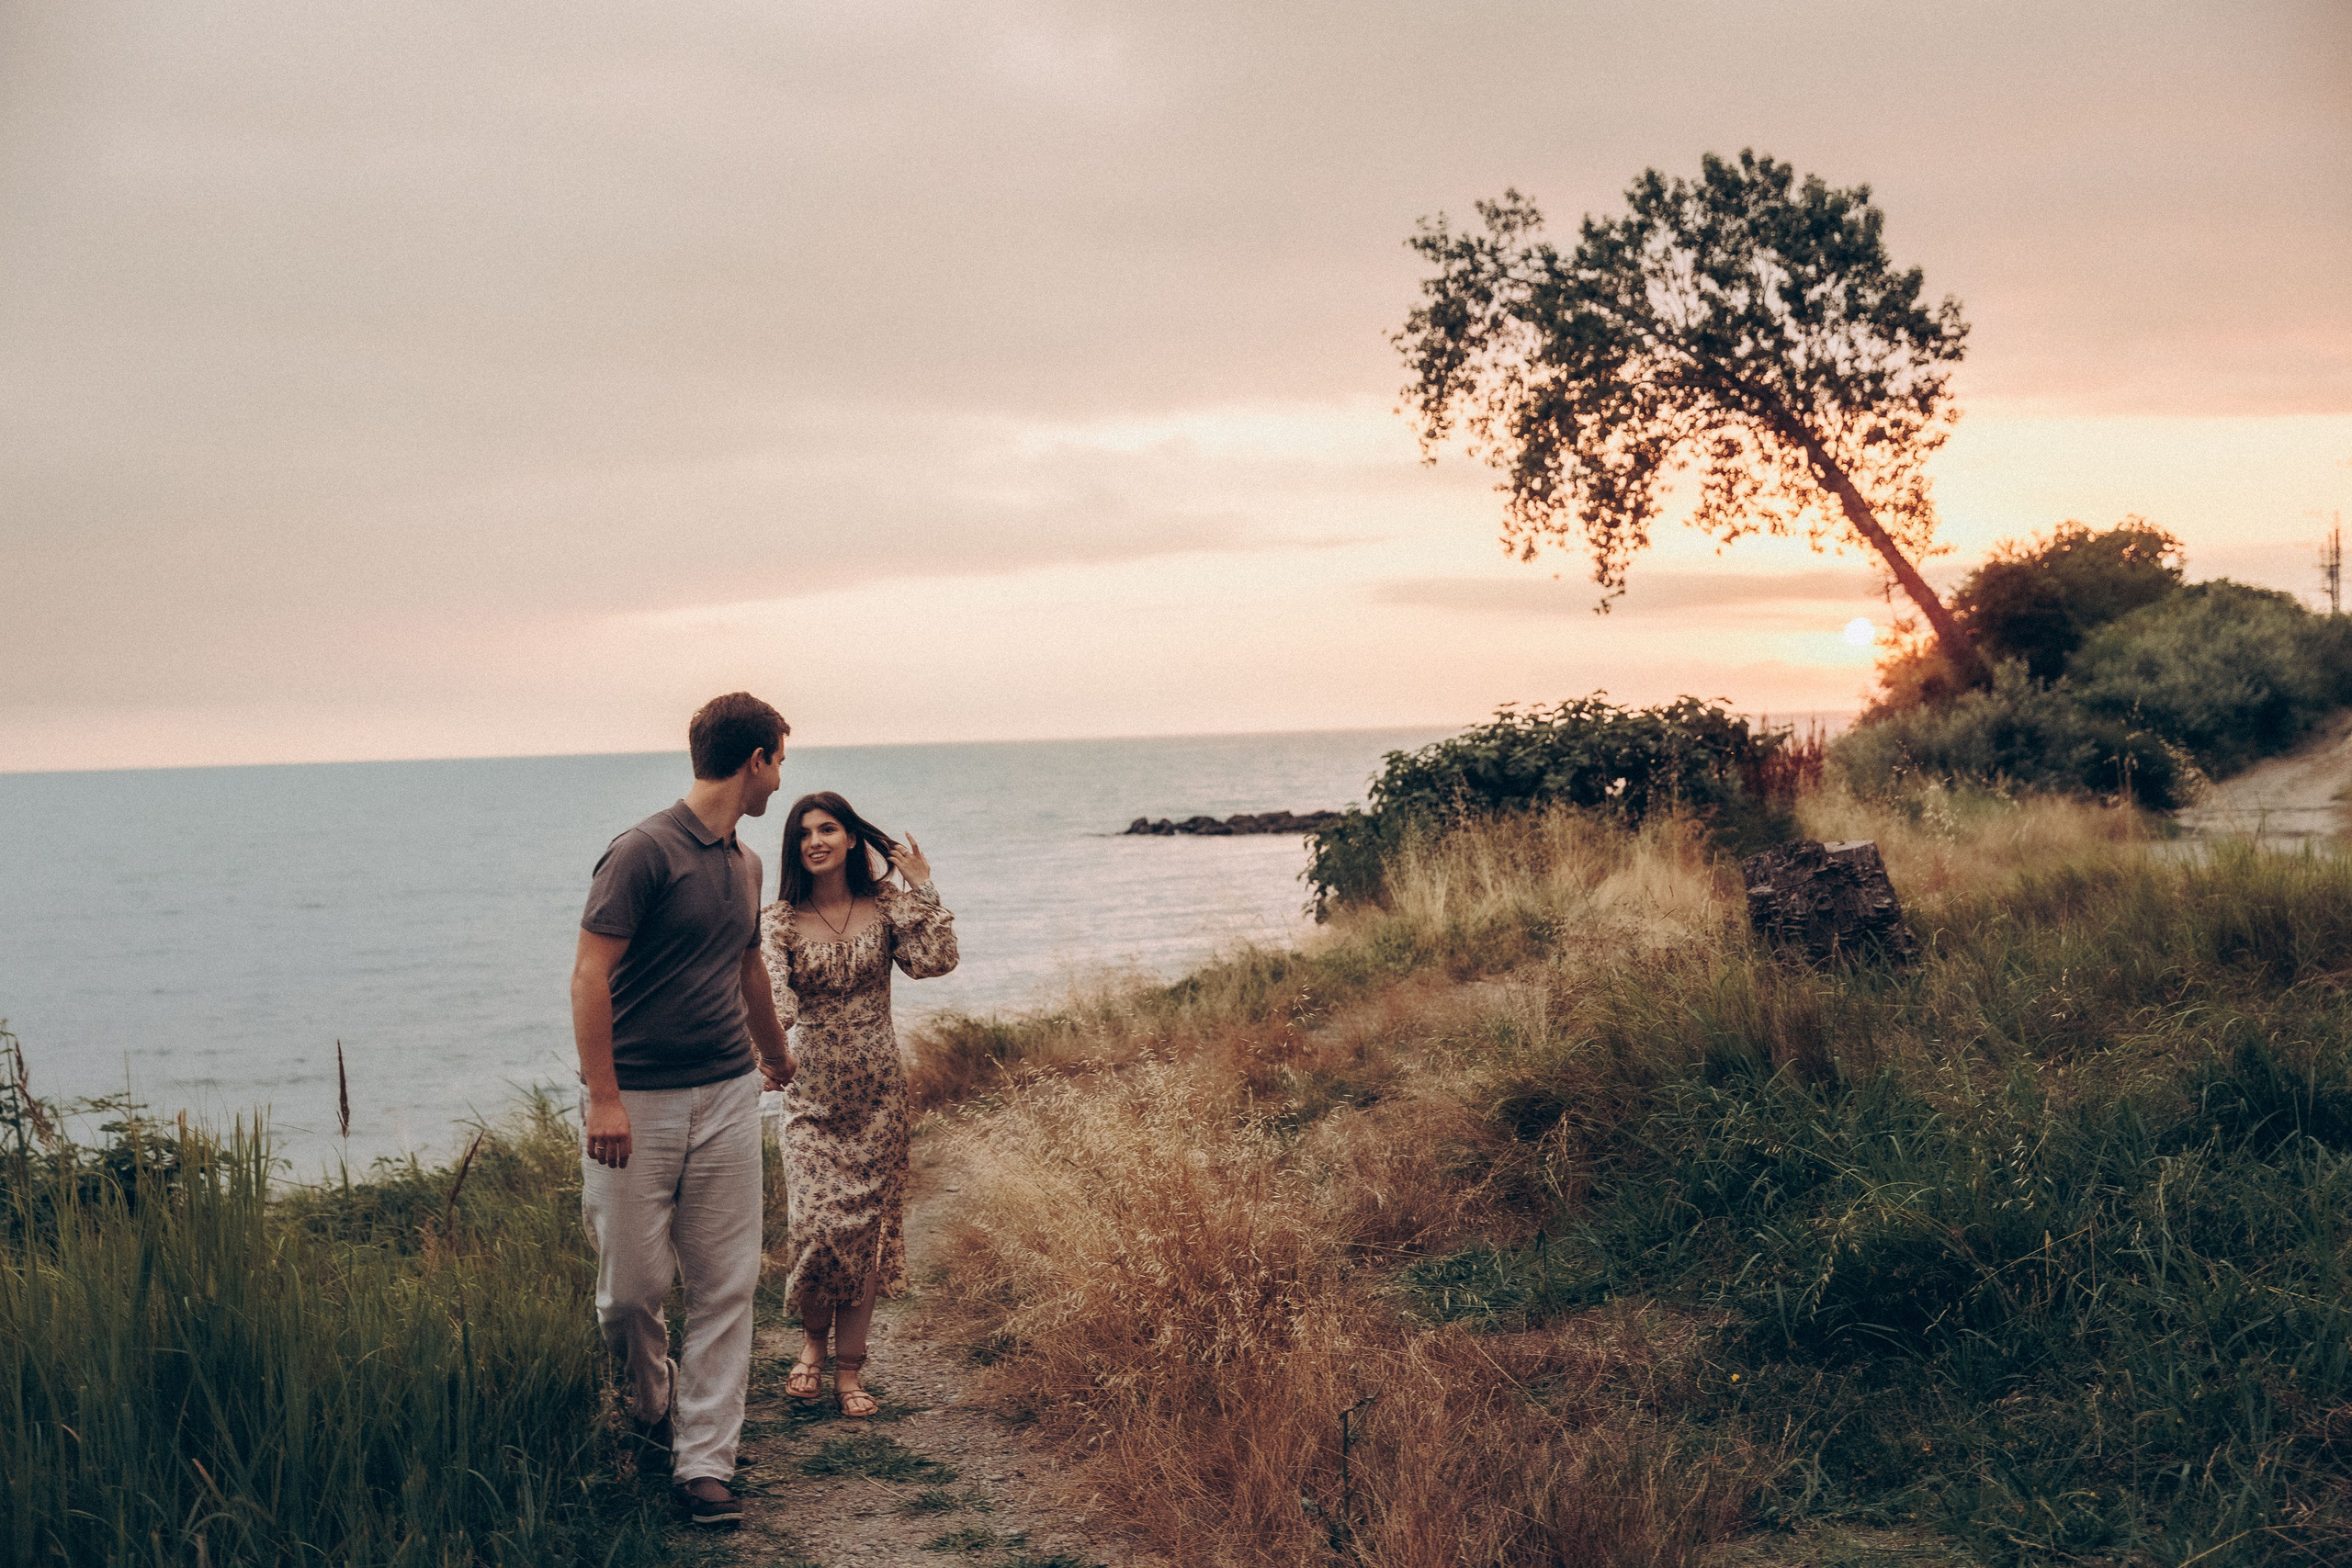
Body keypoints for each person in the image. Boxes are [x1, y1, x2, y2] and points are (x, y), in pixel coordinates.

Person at [571, 692, 797, 1530]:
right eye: (780, 761)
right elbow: (589, 974)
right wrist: (604, 1097)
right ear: (755, 760)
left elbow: (748, 970)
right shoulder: (642, 851)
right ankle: (652, 1408)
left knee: (726, 1283)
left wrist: (775, 1055)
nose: (781, 779)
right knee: (630, 1294)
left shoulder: (747, 863)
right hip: (635, 1102)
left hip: (729, 1091)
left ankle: (706, 1462)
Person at [760, 791, 957, 1418]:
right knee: (818, 1228)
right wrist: (762, 1054)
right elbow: (775, 1003)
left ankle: (850, 1369)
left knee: (866, 1236)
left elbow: (936, 961)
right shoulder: (778, 921)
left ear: (851, 838)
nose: (815, 841)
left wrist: (923, 887)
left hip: (879, 1098)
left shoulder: (888, 904)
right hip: (811, 1098)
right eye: (803, 833)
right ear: (793, 847)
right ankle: (812, 1346)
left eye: (827, 829)